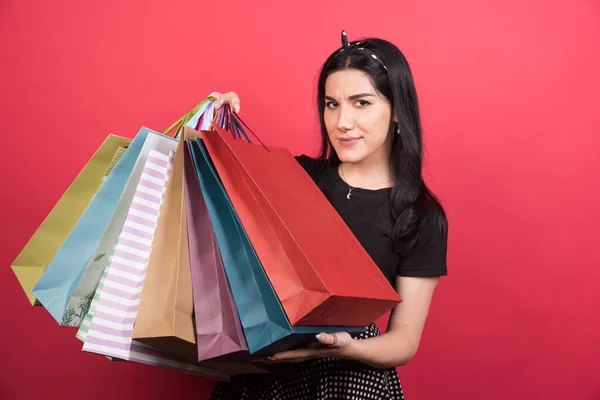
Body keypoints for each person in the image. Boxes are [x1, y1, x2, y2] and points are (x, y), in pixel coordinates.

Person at [207, 31, 448, 400]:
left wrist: (345, 347)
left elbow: (404, 340)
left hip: (348, 379)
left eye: (361, 103)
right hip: (258, 368)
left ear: (397, 109)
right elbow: (209, 197)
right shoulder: (295, 175)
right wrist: (209, 121)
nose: (342, 122)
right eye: (332, 104)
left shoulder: (419, 215)